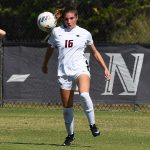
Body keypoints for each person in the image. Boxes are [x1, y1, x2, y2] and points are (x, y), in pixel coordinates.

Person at [42, 6, 111, 146]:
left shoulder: (84, 33)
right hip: (64, 73)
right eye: (66, 19)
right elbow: (50, 49)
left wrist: (105, 68)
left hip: (81, 69)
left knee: (84, 95)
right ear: (63, 19)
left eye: (72, 18)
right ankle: (70, 135)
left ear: (77, 18)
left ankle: (93, 125)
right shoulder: (56, 32)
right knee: (67, 108)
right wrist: (45, 64)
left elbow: (95, 52)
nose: (69, 21)